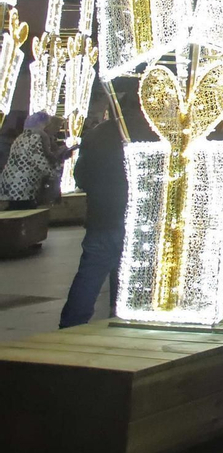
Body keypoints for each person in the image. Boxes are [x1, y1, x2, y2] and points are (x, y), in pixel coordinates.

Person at [60, 93, 130, 326]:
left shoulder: (95, 134)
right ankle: (120, 317)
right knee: (126, 274)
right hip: (133, 215)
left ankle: (71, 324)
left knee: (89, 273)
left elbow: (80, 175)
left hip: (101, 214)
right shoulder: (143, 132)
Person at [0, 113, 64, 208]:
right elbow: (38, 159)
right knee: (23, 211)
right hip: (22, 185)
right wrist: (54, 173)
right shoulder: (34, 137)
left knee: (16, 209)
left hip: (14, 183)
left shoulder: (23, 136)